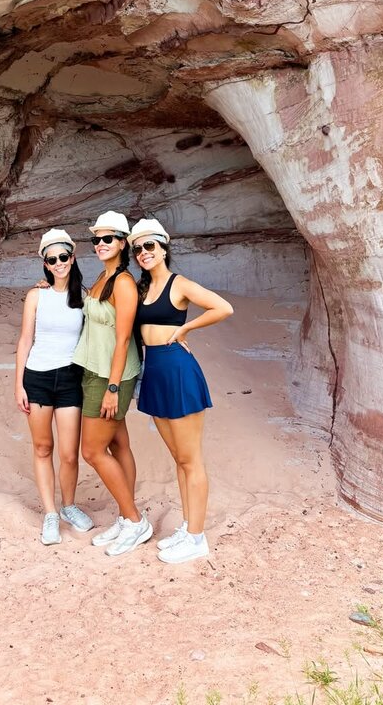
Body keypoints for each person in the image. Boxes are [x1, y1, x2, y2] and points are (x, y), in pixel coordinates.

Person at [129, 217, 233, 565]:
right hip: (154, 371)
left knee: (191, 459)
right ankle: (189, 527)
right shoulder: (142, 289)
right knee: (179, 458)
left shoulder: (180, 284)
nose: (143, 252)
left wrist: (187, 328)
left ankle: (197, 538)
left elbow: (223, 308)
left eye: (149, 246)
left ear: (163, 248)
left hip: (177, 369)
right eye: (138, 248)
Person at [72, 211, 152, 557]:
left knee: (92, 451)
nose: (101, 244)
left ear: (122, 243)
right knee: (119, 445)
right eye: (96, 239)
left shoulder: (123, 283)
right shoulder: (103, 277)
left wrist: (113, 388)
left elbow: (122, 340)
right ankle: (125, 515)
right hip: (94, 369)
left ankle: (135, 521)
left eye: (108, 239)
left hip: (110, 375)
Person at [14, 228, 94, 545]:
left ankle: (69, 506)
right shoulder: (36, 295)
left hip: (71, 378)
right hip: (38, 377)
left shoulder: (84, 297)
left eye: (64, 257)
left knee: (69, 453)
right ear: (45, 264)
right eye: (52, 259)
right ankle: (50, 513)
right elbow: (25, 340)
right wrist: (19, 385)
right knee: (43, 448)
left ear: (72, 258)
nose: (59, 263)